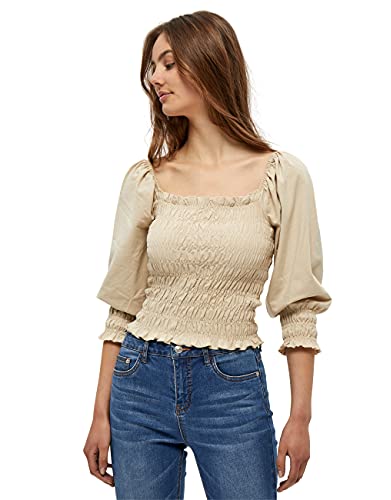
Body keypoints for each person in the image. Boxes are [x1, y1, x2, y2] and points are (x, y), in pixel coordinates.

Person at [83, 10, 332, 500]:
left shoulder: (282, 177)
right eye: (152, 67)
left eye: (169, 63)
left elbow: (299, 309)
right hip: (138, 381)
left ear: (210, 63)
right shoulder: (148, 179)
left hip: (231, 389)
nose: (155, 78)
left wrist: (300, 417)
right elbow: (122, 307)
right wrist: (98, 413)